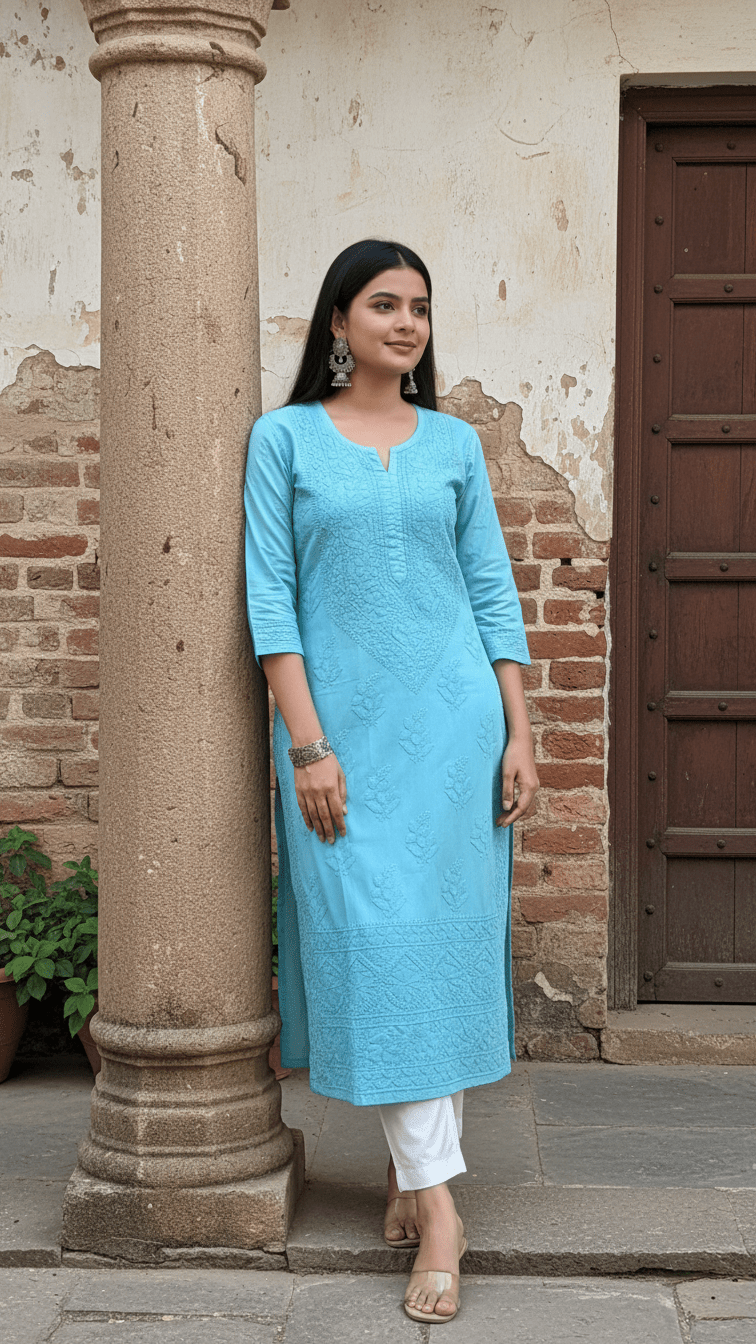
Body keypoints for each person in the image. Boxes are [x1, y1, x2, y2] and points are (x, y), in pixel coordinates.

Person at [244, 238, 539, 1322]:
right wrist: (309, 747)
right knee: (377, 946)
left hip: (454, 730)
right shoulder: (284, 441)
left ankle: (423, 1190)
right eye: (382, 304)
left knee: (440, 944)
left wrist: (518, 729)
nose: (405, 323)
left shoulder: (455, 444)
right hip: (344, 743)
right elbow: (270, 606)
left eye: (418, 307)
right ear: (337, 321)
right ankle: (439, 1199)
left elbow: (494, 595)